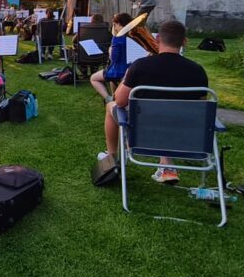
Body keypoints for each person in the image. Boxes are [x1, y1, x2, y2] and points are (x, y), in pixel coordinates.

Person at [98, 20, 208, 184]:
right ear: (184, 42)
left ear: (157, 40)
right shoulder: (198, 71)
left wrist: (128, 74)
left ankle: (112, 158)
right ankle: (167, 166)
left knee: (110, 106)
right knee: (169, 114)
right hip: (183, 134)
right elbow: (200, 106)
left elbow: (119, 101)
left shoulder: (140, 66)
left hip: (144, 131)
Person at [88, 12, 133, 102]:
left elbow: (114, 59)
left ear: (119, 24)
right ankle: (115, 96)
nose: (114, 27)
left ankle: (108, 98)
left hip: (119, 71)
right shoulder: (135, 37)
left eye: (115, 25)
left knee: (94, 78)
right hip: (132, 69)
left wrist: (110, 51)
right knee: (112, 79)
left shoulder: (117, 39)